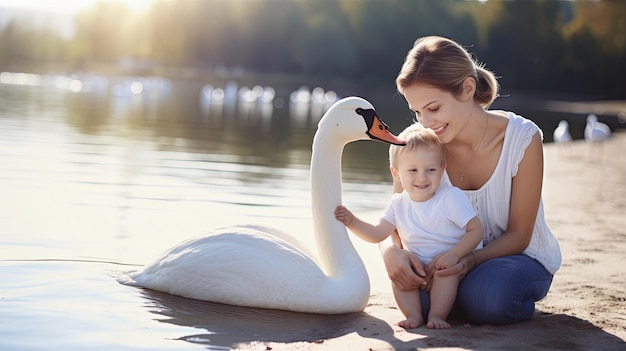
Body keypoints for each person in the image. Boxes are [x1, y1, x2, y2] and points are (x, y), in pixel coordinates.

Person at [379, 35, 562, 325]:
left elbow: (519, 234)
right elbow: (398, 214)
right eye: (416, 111)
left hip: (517, 259)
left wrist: (469, 262)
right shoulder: (419, 143)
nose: (425, 123)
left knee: (491, 298)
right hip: (445, 262)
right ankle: (459, 298)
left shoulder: (523, 139)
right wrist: (391, 253)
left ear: (467, 89)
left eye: (434, 108)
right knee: (420, 301)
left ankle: (475, 296)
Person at [335, 124, 484, 329]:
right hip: (419, 266)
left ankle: (437, 316)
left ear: (442, 170)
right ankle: (413, 314)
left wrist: (455, 254)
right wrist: (351, 221)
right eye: (412, 170)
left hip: (450, 261)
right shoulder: (398, 203)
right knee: (401, 278)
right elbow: (378, 233)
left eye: (431, 170)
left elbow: (476, 230)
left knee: (444, 274)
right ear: (396, 173)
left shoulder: (450, 197)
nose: (422, 177)